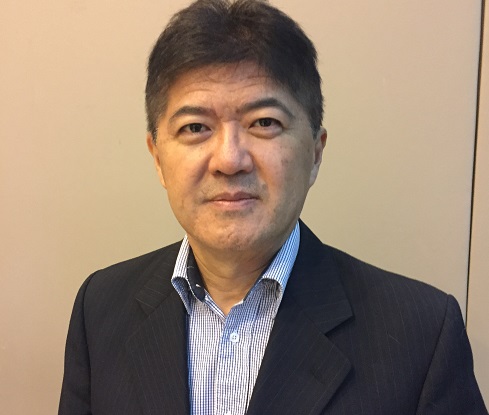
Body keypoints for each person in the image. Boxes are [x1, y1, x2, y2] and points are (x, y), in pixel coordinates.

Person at [58, 0, 487, 414]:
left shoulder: (421, 337)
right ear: (157, 158)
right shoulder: (100, 309)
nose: (230, 160)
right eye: (195, 127)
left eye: (264, 122)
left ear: (315, 152)